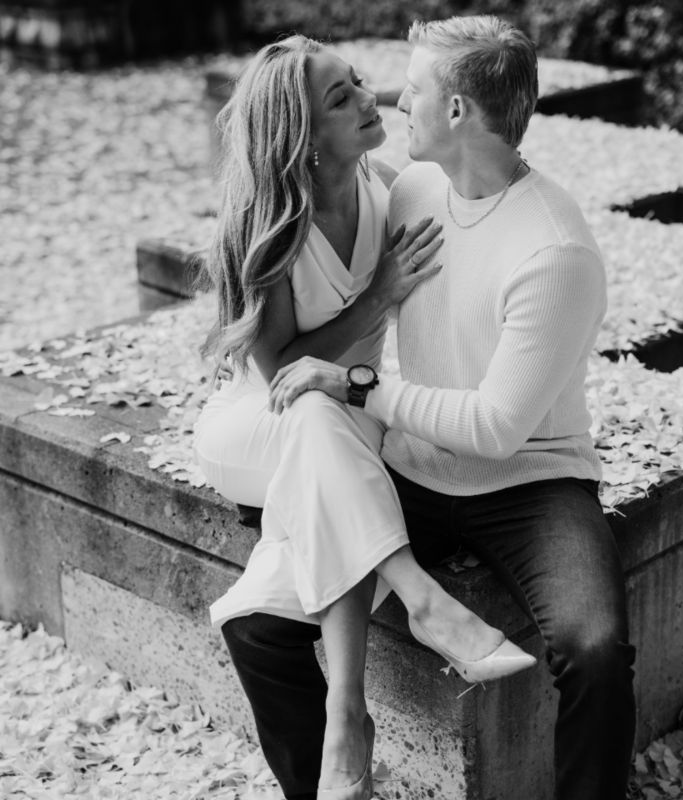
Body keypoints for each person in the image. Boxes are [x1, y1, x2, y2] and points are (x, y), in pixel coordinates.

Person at [267, 16, 637, 800]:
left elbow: (497, 429)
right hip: (410, 469)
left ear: (459, 110)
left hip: (532, 483)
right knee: (259, 625)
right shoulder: (411, 189)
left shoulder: (555, 250)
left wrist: (357, 387)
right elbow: (315, 200)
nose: (396, 101)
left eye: (415, 89)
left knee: (596, 648)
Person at [193, 34, 536, 800]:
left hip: (347, 415)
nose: (368, 99)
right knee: (317, 406)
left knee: (333, 423)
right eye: (340, 97)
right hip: (256, 425)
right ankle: (419, 594)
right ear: (304, 134)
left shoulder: (391, 188)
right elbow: (281, 373)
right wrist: (377, 296)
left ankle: (347, 716)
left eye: (357, 81)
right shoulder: (266, 223)